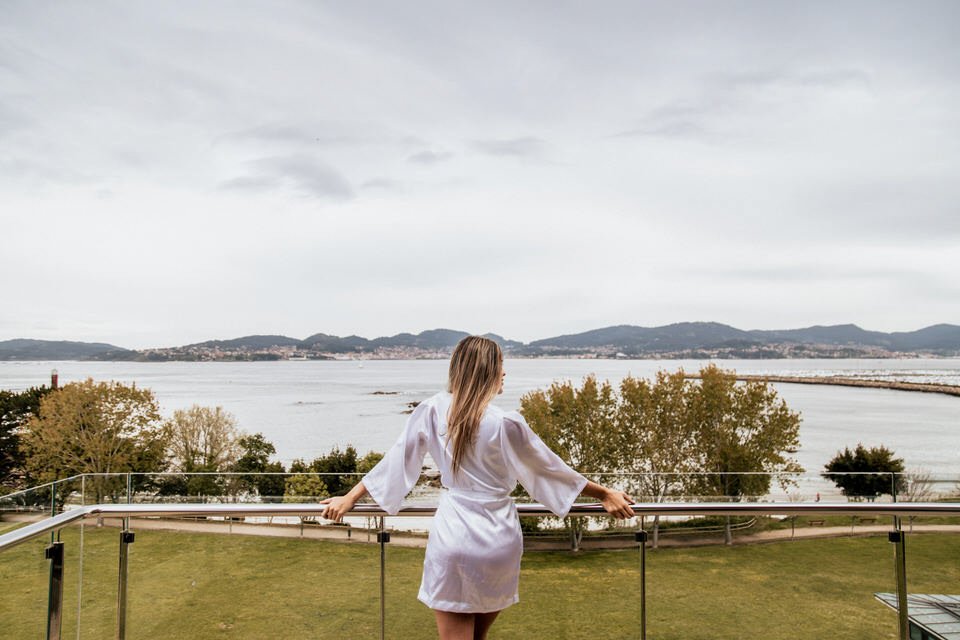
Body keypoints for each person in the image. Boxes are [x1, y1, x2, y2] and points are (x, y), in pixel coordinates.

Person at [320, 335, 635, 640]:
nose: (504, 373)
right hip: (498, 541)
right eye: (500, 365)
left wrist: (350, 498)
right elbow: (549, 470)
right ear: (487, 373)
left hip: (456, 537)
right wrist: (604, 493)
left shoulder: (432, 411)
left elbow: (398, 460)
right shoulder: (505, 424)